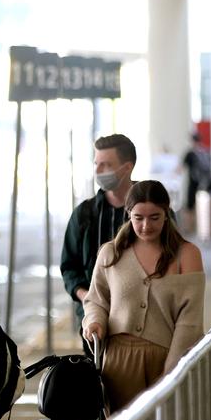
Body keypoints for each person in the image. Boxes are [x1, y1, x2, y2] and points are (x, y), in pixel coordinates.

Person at [82, 180, 204, 413]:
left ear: (167, 214)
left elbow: (190, 320)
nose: (146, 225)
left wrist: (172, 371)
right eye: (138, 217)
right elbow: (96, 300)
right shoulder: (111, 253)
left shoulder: (187, 254)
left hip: (168, 357)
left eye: (154, 217)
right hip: (118, 363)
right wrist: (94, 322)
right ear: (128, 214)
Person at [61, 134, 138, 335]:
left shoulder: (152, 212)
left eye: (106, 165)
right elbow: (69, 268)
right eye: (96, 164)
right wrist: (87, 297)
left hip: (141, 319)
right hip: (94, 322)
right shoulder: (84, 214)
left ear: (127, 167)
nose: (98, 171)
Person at [183, 132, 211, 231]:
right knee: (203, 206)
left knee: (190, 207)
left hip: (193, 183)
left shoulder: (190, 153)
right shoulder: (206, 152)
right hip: (205, 184)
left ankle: (190, 228)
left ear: (192, 141)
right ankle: (202, 228)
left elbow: (180, 168)